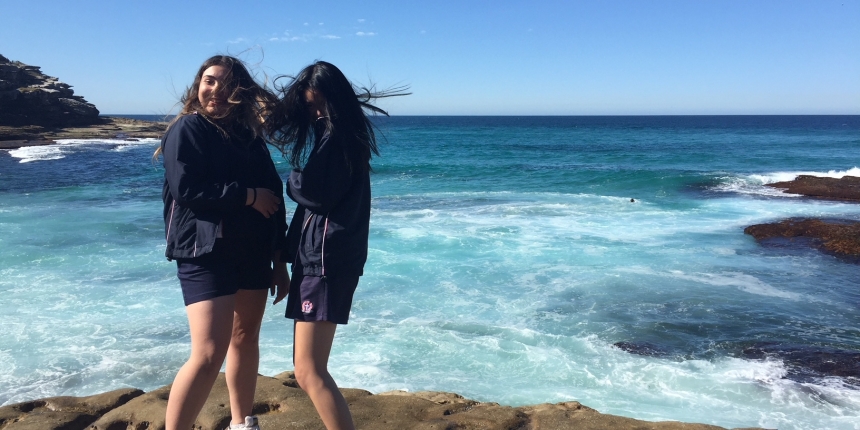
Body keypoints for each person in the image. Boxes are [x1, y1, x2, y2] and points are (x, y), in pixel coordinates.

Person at [267, 61, 407, 430]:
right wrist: (283, 256)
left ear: (336, 101)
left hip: (326, 263)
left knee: (310, 371)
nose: (314, 114)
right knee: (307, 369)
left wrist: (289, 180)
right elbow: (312, 209)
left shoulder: (340, 140)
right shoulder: (342, 138)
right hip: (320, 261)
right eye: (309, 107)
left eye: (319, 105)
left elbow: (313, 194)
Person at [158, 55, 289, 430]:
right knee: (208, 352)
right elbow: (187, 189)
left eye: (227, 84)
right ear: (198, 85)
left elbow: (275, 200)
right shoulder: (188, 129)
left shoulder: (251, 140)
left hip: (252, 253)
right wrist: (248, 195)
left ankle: (241, 423)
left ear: (240, 94)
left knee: (245, 340)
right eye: (210, 81)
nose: (216, 90)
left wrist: (280, 262)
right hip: (205, 251)